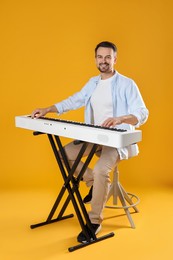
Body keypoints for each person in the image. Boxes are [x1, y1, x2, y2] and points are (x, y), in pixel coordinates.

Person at [31, 41, 149, 243]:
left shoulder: (127, 84)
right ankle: (93, 183)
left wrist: (121, 118)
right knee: (64, 155)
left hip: (116, 139)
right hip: (93, 137)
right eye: (100, 57)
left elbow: (143, 113)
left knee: (102, 169)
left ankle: (94, 221)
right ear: (95, 59)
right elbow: (74, 100)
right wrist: (48, 109)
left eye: (108, 57)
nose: (104, 61)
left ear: (115, 59)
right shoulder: (92, 83)